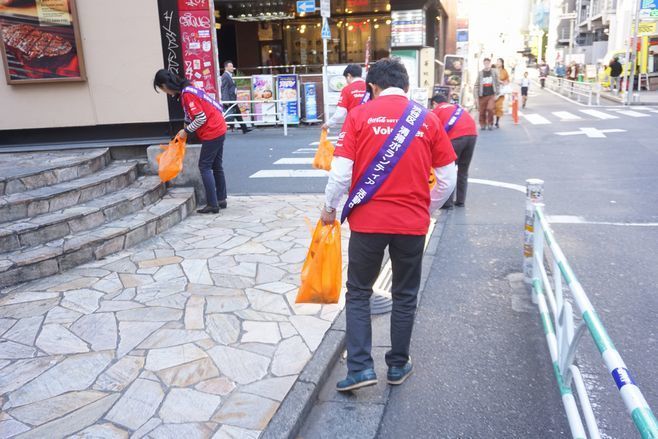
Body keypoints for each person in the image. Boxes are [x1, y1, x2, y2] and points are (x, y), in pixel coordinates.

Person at [321, 58, 457, 392]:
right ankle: (397, 365)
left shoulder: (358, 116)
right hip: (412, 225)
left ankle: (360, 369)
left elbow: (341, 173)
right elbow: (447, 178)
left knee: (358, 293)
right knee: (405, 295)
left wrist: (328, 208)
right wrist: (426, 206)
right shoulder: (426, 119)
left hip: (367, 223)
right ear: (407, 87)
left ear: (372, 87)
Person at [154, 69, 228, 214]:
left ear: (165, 85)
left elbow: (200, 118)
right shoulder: (188, 88)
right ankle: (221, 199)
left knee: (204, 167)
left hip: (212, 131)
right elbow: (190, 115)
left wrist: (186, 131)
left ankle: (213, 204)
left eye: (162, 89)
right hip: (219, 127)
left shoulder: (187, 94)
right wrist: (185, 128)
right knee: (217, 166)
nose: (165, 93)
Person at [430, 94, 477, 208]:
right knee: (463, 169)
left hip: (456, 137)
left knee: (448, 169)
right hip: (472, 134)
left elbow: (432, 131)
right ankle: (460, 200)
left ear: (435, 103)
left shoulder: (436, 111)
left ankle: (447, 202)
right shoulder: (456, 107)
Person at [322, 64, 367, 131]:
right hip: (370, 124)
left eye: (346, 78)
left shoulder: (347, 89)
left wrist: (328, 124)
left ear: (348, 76)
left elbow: (340, 113)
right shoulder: (370, 87)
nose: (346, 81)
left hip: (354, 125)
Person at [221, 60, 252, 134]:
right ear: (226, 67)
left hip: (232, 98)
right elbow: (224, 88)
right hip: (229, 99)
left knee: (237, 114)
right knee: (229, 115)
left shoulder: (230, 75)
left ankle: (244, 129)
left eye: (232, 66)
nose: (232, 68)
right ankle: (223, 129)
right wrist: (226, 101)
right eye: (230, 66)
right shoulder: (225, 76)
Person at [473, 57, 499, 131]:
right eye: (485, 63)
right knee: (482, 111)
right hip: (482, 95)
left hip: (491, 94)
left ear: (490, 64)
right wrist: (475, 96)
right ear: (484, 64)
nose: (487, 64)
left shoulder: (493, 72)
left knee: (490, 109)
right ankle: (483, 124)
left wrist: (497, 93)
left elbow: (497, 83)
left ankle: (490, 123)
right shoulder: (480, 73)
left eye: (488, 63)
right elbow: (476, 85)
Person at [494, 58, 510, 128]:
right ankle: (490, 120)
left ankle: (497, 122)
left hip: (501, 91)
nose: (498, 63)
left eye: (499, 62)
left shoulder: (504, 71)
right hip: (492, 90)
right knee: (491, 106)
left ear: (502, 63)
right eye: (497, 62)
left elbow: (507, 80)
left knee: (499, 107)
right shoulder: (493, 70)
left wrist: (504, 82)